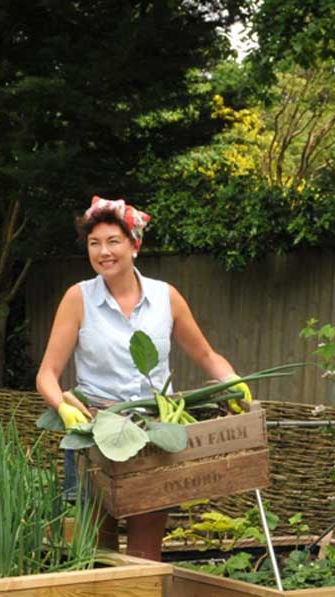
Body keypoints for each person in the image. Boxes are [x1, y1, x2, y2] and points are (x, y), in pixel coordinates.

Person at [35, 196, 246, 561]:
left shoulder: (167, 298)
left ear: (135, 245)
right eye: (94, 243)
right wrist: (63, 408)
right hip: (97, 432)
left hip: (153, 431)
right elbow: (47, 374)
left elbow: (206, 355)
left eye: (113, 241)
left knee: (146, 551)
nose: (103, 252)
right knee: (96, 548)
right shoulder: (78, 299)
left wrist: (231, 380)